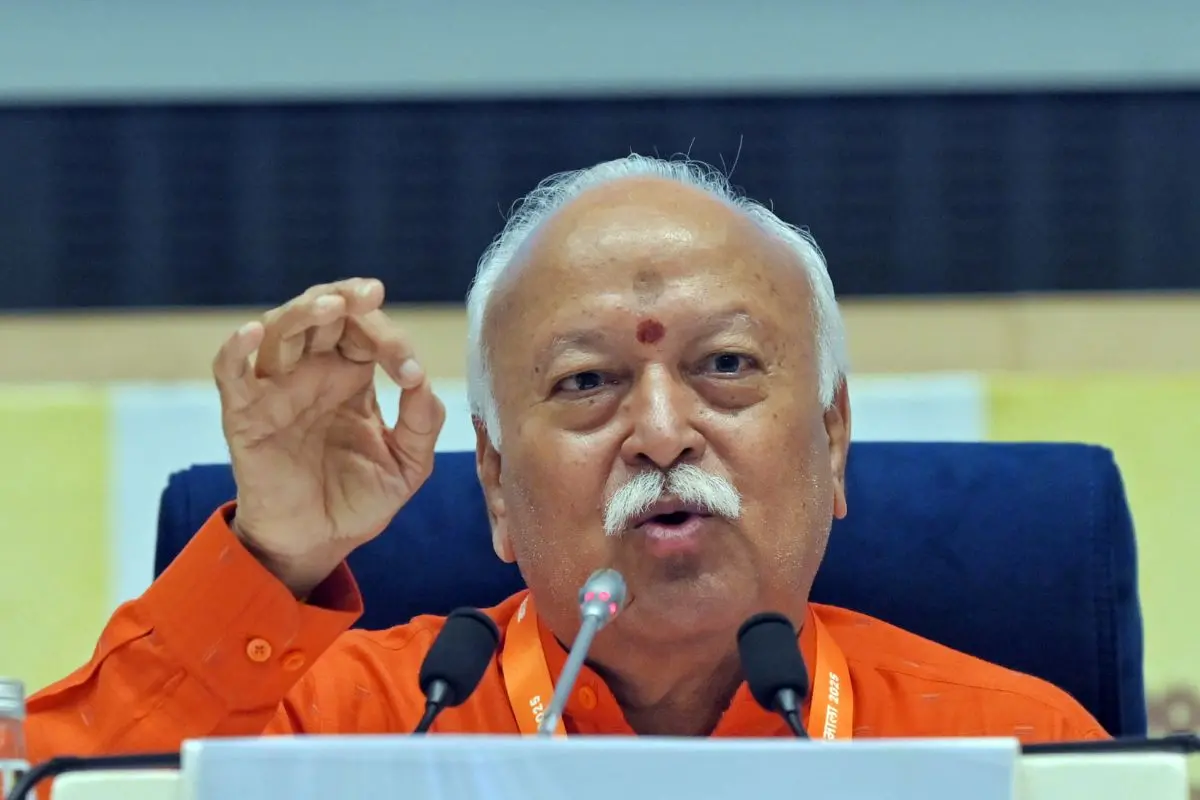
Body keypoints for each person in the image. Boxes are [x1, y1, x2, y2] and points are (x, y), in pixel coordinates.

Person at [26, 156, 1107, 761]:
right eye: (587, 382)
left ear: (831, 441)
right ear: (493, 481)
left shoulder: (1010, 748)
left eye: (725, 363)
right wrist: (274, 554)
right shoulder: (359, 729)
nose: (662, 429)